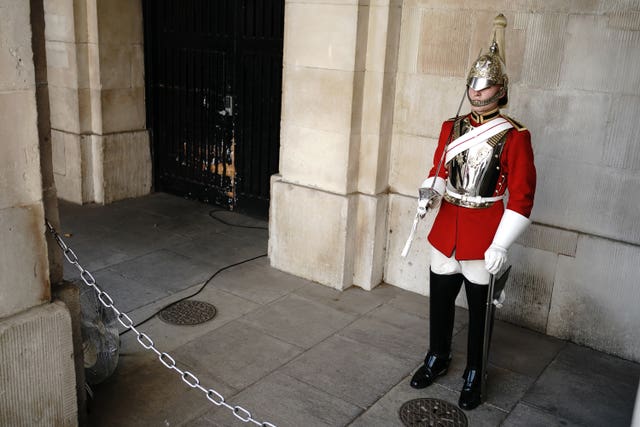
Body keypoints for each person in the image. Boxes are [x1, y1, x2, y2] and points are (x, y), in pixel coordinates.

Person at [409, 14, 536, 411]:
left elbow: (522, 197)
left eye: (485, 86)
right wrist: (430, 190)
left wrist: (501, 243)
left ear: (501, 90)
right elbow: (439, 171)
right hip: (448, 225)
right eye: (473, 85)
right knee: (440, 302)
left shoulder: (514, 135)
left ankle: (475, 373)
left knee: (480, 315)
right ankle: (438, 356)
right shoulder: (452, 126)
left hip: (484, 231)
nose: (477, 93)